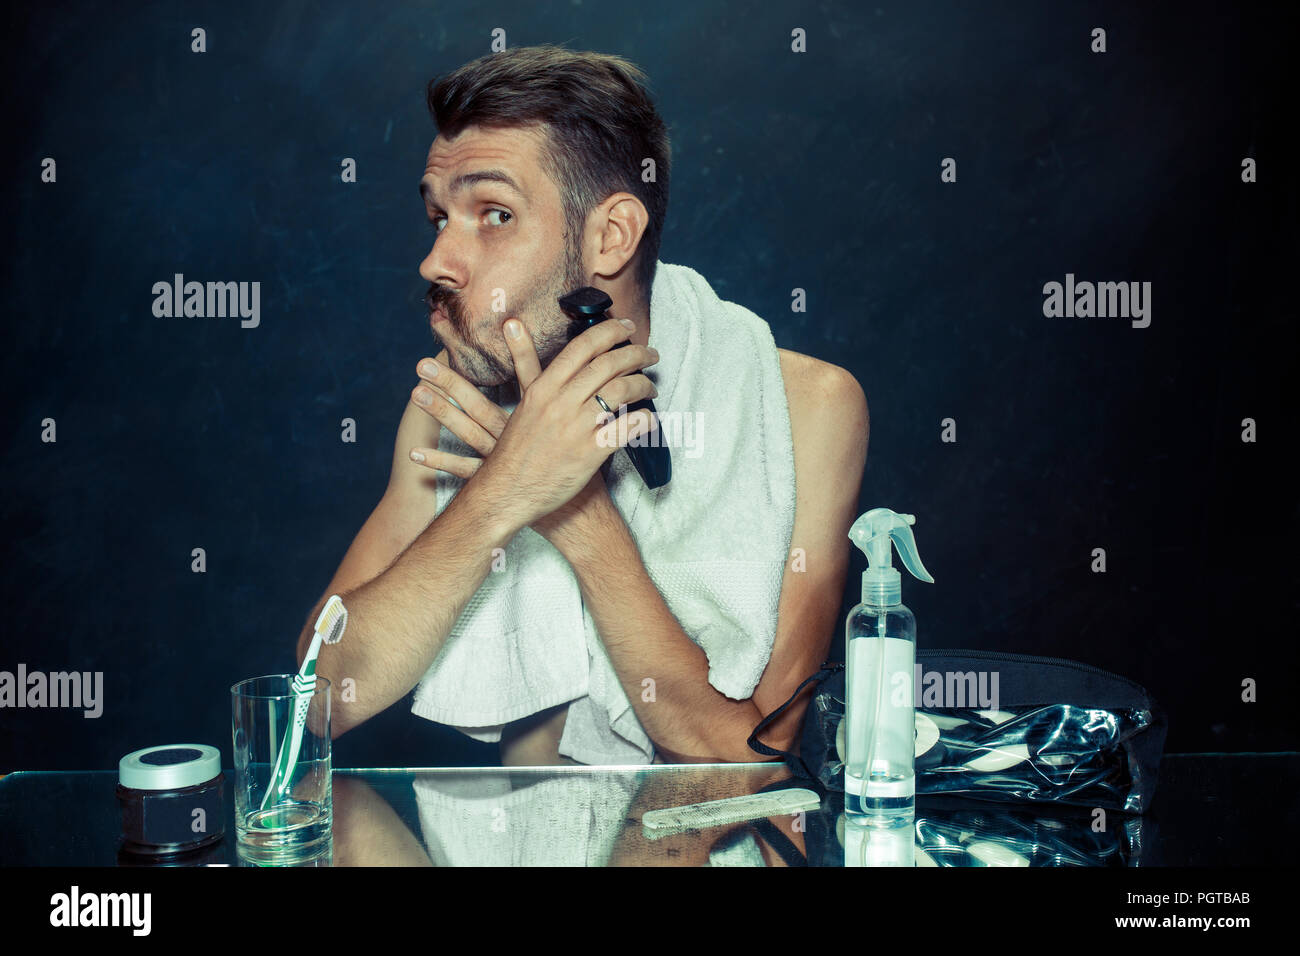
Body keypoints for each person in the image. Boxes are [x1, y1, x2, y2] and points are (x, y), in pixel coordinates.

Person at [297, 44, 868, 765]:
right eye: (439, 216)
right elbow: (319, 700)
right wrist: (502, 492)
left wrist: (576, 513)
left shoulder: (806, 408)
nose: (436, 261)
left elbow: (756, 756)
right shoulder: (456, 407)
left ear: (611, 237)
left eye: (493, 214)